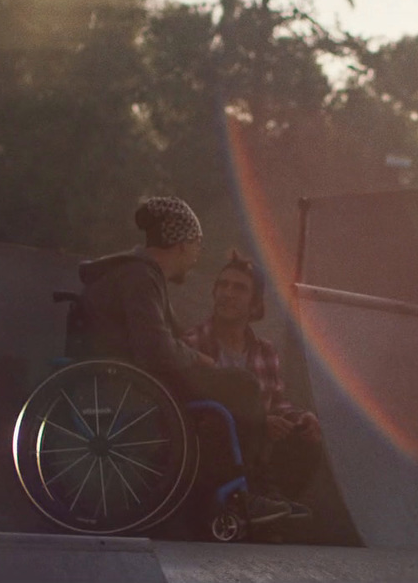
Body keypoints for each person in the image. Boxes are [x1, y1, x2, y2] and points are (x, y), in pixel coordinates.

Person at [77, 196, 293, 524]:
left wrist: (198, 360)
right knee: (242, 385)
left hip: (131, 378)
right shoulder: (139, 277)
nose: (196, 258)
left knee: (232, 388)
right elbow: (156, 349)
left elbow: (168, 341)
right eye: (197, 246)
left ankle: (248, 489)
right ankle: (246, 492)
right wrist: (202, 362)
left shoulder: (141, 277)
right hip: (131, 384)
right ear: (182, 245)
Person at [182, 250, 323, 516]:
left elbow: (277, 403)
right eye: (222, 285)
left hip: (258, 454)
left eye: (239, 288)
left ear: (255, 304)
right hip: (208, 450)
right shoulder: (193, 343)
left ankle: (271, 507)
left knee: (308, 435)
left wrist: (300, 417)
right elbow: (194, 408)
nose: (227, 293)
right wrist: (259, 422)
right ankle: (242, 502)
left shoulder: (265, 351)